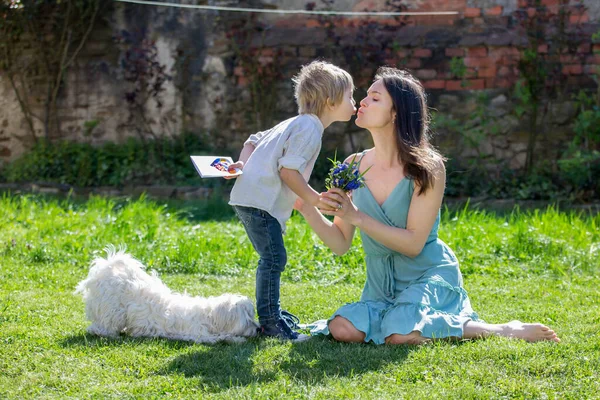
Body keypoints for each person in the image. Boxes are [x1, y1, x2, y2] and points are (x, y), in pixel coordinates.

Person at [295, 67, 560, 345]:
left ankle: (502, 329)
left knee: (400, 334)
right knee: (343, 329)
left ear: (396, 112)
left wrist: (357, 216)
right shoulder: (351, 166)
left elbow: (413, 244)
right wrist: (305, 206)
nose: (362, 102)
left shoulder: (426, 167)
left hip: (426, 274)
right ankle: (402, 318)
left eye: (375, 98)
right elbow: (340, 244)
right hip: (380, 285)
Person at [227, 60, 356, 342]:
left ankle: (273, 315)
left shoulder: (294, 123)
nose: (354, 102)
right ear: (330, 101)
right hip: (260, 201)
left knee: (272, 257)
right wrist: (314, 198)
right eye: (350, 96)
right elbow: (288, 171)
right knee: (273, 259)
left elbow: (252, 140)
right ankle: (271, 323)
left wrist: (241, 165)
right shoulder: (309, 128)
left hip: (249, 198)